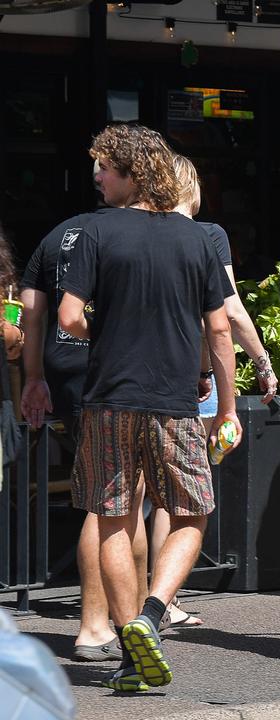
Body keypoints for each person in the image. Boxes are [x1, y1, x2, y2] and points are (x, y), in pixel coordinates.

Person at [57, 124, 241, 692]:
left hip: (109, 397)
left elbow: (67, 317)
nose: (96, 177)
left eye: (104, 167)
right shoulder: (196, 239)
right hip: (174, 400)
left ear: (132, 172)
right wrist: (227, 406)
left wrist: (105, 335)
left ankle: (131, 648)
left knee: (114, 516)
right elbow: (219, 329)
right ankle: (152, 616)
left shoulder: (94, 232)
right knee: (190, 513)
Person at [20, 178, 151, 663]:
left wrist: (34, 376)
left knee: (119, 497)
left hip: (65, 371)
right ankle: (97, 625)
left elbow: (33, 314)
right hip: (112, 371)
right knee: (112, 500)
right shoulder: (135, 232)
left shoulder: (58, 235)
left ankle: (130, 617)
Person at [162, 155, 278, 627]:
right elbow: (227, 314)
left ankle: (132, 601)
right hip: (193, 380)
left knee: (139, 498)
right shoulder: (207, 236)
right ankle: (162, 598)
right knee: (186, 497)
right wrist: (263, 361)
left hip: (139, 380)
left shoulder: (129, 233)